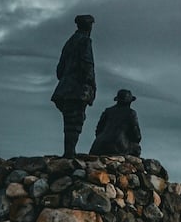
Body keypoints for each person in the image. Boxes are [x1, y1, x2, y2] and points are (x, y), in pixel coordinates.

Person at [51, 14, 96, 157]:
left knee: (69, 122)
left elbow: (59, 70)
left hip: (64, 88)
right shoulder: (85, 41)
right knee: (75, 122)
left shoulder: (70, 42)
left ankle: (69, 151)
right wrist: (90, 83)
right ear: (89, 26)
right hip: (77, 89)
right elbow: (87, 64)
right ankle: (69, 152)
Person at [89, 88, 142, 156]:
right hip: (118, 145)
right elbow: (137, 136)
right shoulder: (131, 113)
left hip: (98, 145)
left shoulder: (108, 111)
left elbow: (98, 130)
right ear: (129, 102)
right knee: (136, 148)